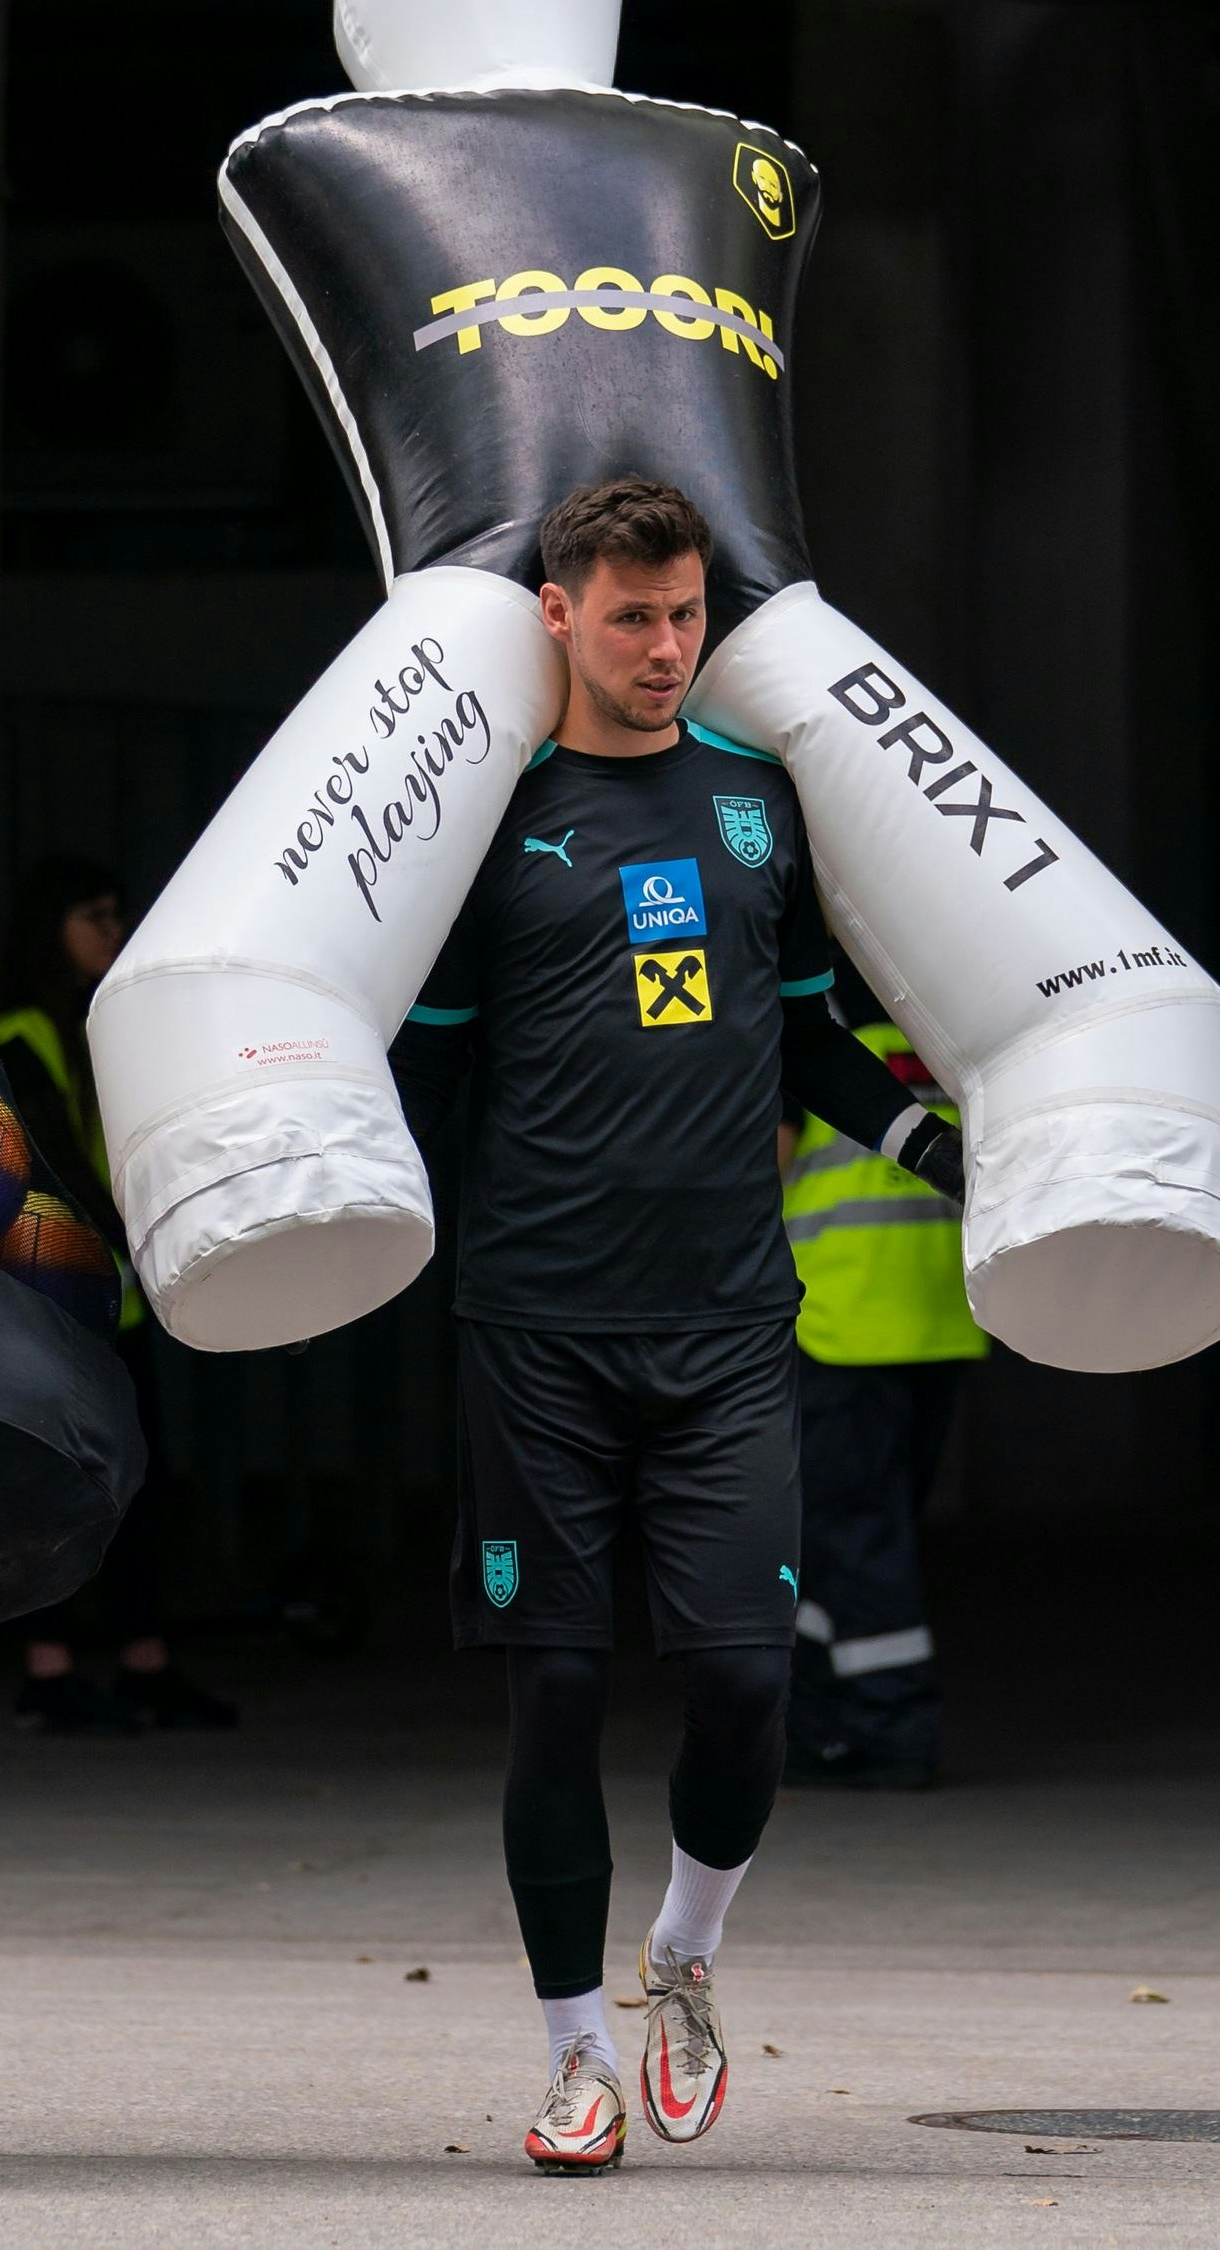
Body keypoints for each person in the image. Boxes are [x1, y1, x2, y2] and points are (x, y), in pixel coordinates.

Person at [391, 477, 962, 2177]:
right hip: (538, 1330)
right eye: (632, 615)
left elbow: (805, 1035)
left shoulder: (756, 803)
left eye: (686, 613)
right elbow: (423, 1072)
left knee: (737, 1679)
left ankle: (687, 1962)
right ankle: (575, 2060)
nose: (665, 646)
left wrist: (934, 1143)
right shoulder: (492, 814)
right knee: (554, 1687)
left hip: (726, 1330)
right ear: (555, 614)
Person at [0, 857, 238, 1737]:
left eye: (118, 915)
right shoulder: (23, 1032)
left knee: (140, 1486)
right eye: (93, 915)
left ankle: (141, 1662)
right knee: (58, 1484)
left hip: (115, 1302)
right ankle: (49, 1669)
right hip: (54, 1300)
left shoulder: (109, 1019)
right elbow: (49, 1164)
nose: (113, 932)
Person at [780, 970, 984, 1790]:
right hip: (941, 1315)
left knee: (855, 1536)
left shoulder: (806, 1014)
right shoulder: (948, 1006)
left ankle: (894, 1728)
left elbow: (772, 1148)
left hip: (840, 1316)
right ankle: (813, 1724)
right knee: (851, 1533)